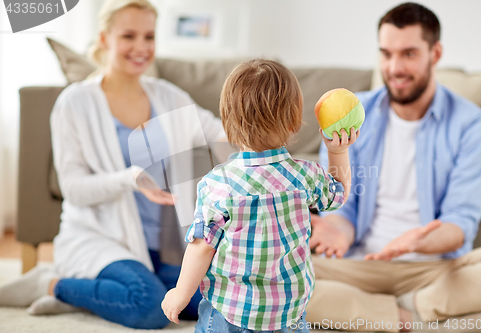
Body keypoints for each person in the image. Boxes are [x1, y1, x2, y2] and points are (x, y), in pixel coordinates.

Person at [0, 0, 225, 329]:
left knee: (210, 300)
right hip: (98, 238)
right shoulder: (75, 102)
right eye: (129, 36)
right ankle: (50, 283)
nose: (140, 47)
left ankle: (97, 295)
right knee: (147, 306)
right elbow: (73, 189)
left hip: (158, 246)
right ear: (104, 38)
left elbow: (221, 135)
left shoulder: (168, 96)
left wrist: (265, 158)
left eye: (148, 37)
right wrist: (132, 178)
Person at [307, 3, 481, 332]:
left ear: (434, 53)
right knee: (264, 273)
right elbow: (343, 204)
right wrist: (337, 227)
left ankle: (400, 308)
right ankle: (412, 318)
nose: (394, 67)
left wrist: (417, 243)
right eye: (386, 54)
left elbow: (460, 222)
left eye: (408, 54)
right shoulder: (351, 116)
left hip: (435, 270)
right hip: (358, 266)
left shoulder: (472, 125)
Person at [161, 59, 359, 332]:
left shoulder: (218, 183)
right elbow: (339, 194)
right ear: (294, 122)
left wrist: (181, 294)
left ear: (227, 122)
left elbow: (202, 247)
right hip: (287, 313)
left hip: (230, 311)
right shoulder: (305, 177)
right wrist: (338, 151)